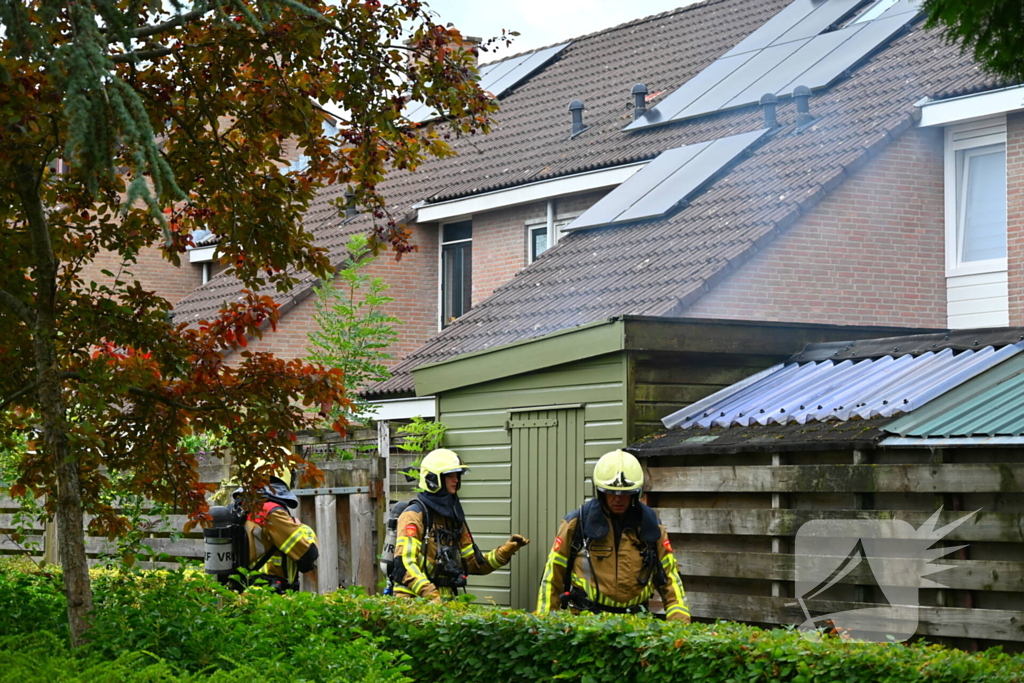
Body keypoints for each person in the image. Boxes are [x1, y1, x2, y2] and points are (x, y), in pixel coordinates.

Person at [535, 449, 690, 622]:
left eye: (625, 494)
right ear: (600, 492)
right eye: (611, 492)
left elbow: (670, 579)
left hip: (636, 624)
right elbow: (552, 575)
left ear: (635, 493)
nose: (618, 499)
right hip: (586, 623)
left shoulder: (651, 528)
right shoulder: (577, 524)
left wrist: (679, 627)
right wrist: (545, 624)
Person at [392, 448, 529, 601]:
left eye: (457, 475)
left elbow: (474, 564)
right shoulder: (414, 515)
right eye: (450, 475)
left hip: (442, 599)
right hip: (412, 600)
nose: (456, 480)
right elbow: (405, 565)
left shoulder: (453, 519)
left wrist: (504, 552)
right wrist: (430, 594)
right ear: (433, 479)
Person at [230, 472, 319, 593]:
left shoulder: (240, 508)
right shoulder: (271, 512)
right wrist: (302, 528)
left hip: (244, 589)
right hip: (269, 593)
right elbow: (307, 556)